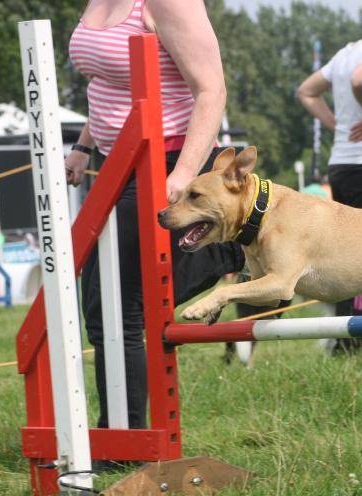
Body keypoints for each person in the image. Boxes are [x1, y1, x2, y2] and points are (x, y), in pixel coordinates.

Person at [65, 0, 244, 436]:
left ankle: (123, 440)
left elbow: (211, 90)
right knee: (108, 305)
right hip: (113, 162)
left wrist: (182, 177)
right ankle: (224, 249)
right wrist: (85, 145)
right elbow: (109, 81)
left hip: (165, 161)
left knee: (114, 309)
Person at [297, 0, 362, 353]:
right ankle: (357, 336)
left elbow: (306, 92)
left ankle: (346, 334)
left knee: (347, 250)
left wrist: (335, 125)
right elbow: (360, 79)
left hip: (341, 164)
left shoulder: (345, 51)